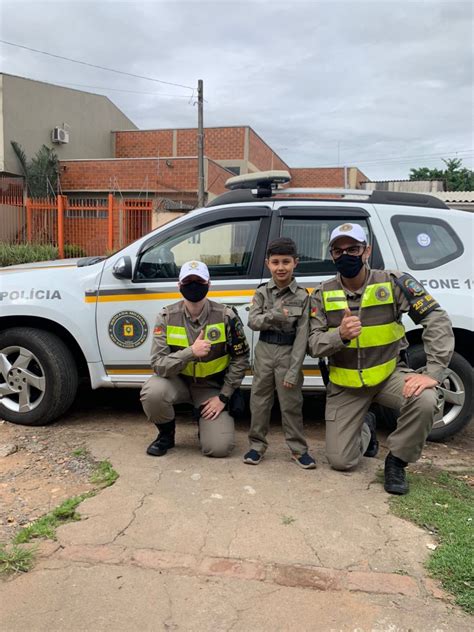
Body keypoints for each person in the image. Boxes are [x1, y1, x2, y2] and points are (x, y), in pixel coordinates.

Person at [308, 222, 454, 494]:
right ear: (331, 255)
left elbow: (436, 319)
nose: (346, 255)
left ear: (366, 250)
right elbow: (313, 345)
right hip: (345, 385)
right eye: (338, 251)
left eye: (353, 248)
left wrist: (433, 371)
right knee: (341, 461)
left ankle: (397, 461)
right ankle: (366, 425)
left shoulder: (393, 282)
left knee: (425, 399)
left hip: (388, 376)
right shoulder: (321, 294)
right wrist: (339, 335)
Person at [140, 260, 250, 458]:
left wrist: (224, 397)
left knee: (218, 449)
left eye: (198, 281)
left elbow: (240, 359)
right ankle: (166, 435)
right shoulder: (166, 316)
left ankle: (206, 424)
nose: (193, 286)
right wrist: (190, 352)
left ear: (208, 284)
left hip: (210, 387)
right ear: (179, 286)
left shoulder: (226, 316)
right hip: (178, 382)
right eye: (188, 281)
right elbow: (158, 365)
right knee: (152, 392)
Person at [243, 238, 316, 469]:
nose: (281, 267)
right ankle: (256, 446)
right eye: (275, 262)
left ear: (296, 263)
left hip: (288, 353)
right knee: (259, 402)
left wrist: (294, 370)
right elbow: (253, 321)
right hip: (265, 352)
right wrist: (275, 315)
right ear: (268, 264)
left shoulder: (304, 297)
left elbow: (303, 335)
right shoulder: (262, 292)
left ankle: (298, 449)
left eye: (286, 261)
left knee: (291, 404)